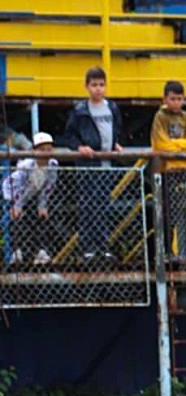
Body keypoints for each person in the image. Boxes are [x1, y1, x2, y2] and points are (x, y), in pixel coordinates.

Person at [60, 66, 122, 263]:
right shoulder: (80, 110)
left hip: (106, 163)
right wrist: (80, 147)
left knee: (103, 205)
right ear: (87, 87)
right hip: (88, 164)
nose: (98, 89)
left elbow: (115, 128)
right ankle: (88, 247)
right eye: (94, 85)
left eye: (101, 85)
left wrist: (115, 144)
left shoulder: (111, 107)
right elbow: (69, 135)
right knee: (88, 206)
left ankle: (103, 247)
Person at [150, 80, 186, 261]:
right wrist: (182, 147)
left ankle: (180, 252)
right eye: (172, 99)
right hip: (164, 170)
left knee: (180, 212)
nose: (176, 103)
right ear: (165, 99)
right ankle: (165, 251)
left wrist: (175, 146)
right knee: (167, 213)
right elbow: (162, 144)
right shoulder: (160, 117)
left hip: (182, 169)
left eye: (179, 99)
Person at [3, 132, 58, 266]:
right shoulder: (26, 166)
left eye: (49, 149)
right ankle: (17, 252)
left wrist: (42, 205)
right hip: (12, 192)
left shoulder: (52, 165)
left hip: (34, 194)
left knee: (41, 220)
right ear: (34, 151)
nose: (46, 153)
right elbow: (19, 187)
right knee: (18, 220)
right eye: (42, 149)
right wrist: (16, 205)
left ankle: (40, 251)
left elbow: (48, 186)